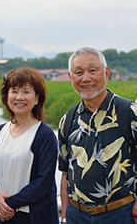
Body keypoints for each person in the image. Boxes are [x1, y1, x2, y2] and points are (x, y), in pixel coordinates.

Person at [58, 47, 137, 224]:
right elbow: (65, 174)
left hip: (122, 213)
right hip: (77, 215)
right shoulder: (68, 120)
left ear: (106, 73)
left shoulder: (129, 113)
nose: (86, 78)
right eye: (78, 72)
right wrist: (64, 216)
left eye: (92, 70)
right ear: (71, 78)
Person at [0, 67, 59, 224]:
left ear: (37, 98)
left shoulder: (44, 135)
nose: (19, 97)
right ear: (6, 96)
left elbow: (43, 182)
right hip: (5, 216)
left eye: (26, 92)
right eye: (14, 91)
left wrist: (8, 205)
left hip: (34, 217)